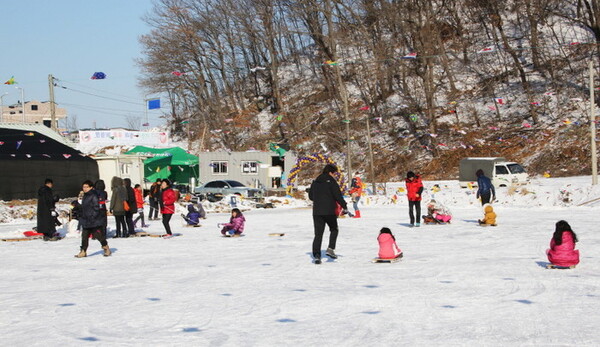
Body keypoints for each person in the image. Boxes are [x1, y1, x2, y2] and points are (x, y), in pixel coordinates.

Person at [308, 164, 348, 264]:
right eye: (334, 173)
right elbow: (338, 196)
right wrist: (345, 206)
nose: (335, 176)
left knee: (318, 234)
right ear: (330, 172)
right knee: (334, 229)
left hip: (317, 212)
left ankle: (317, 256)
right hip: (329, 211)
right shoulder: (332, 182)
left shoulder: (315, 181)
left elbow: (311, 197)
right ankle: (330, 248)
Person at [75, 180, 111, 258]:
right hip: (86, 220)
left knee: (97, 235)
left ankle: (105, 247)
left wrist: (92, 216)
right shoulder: (85, 196)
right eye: (84, 187)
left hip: (93, 220)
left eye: (87, 187)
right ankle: (83, 251)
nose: (85, 188)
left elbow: (96, 208)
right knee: (84, 236)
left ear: (91, 187)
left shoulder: (93, 195)